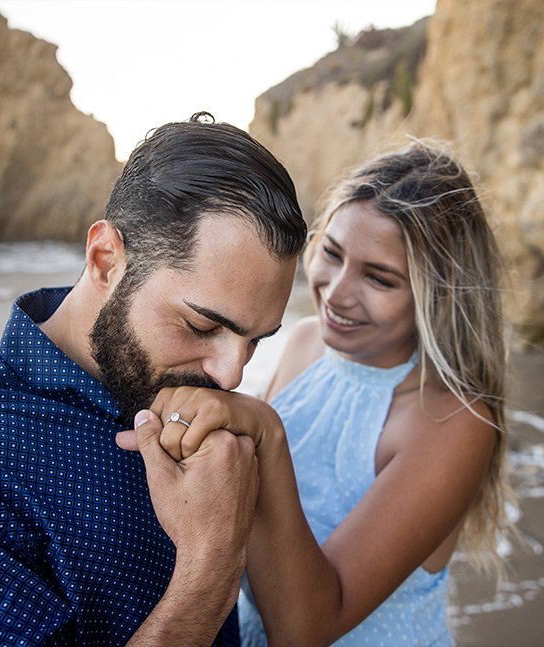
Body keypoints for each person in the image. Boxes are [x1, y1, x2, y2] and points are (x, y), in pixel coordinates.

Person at [0, 112, 307, 646]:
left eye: (255, 341)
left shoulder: (198, 411)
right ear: (106, 260)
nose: (232, 373)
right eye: (202, 324)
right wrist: (211, 568)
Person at [119, 139, 516, 646]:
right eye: (332, 252)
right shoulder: (306, 342)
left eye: (379, 278)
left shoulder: (451, 420)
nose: (335, 290)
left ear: (436, 295)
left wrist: (265, 429)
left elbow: (308, 628)